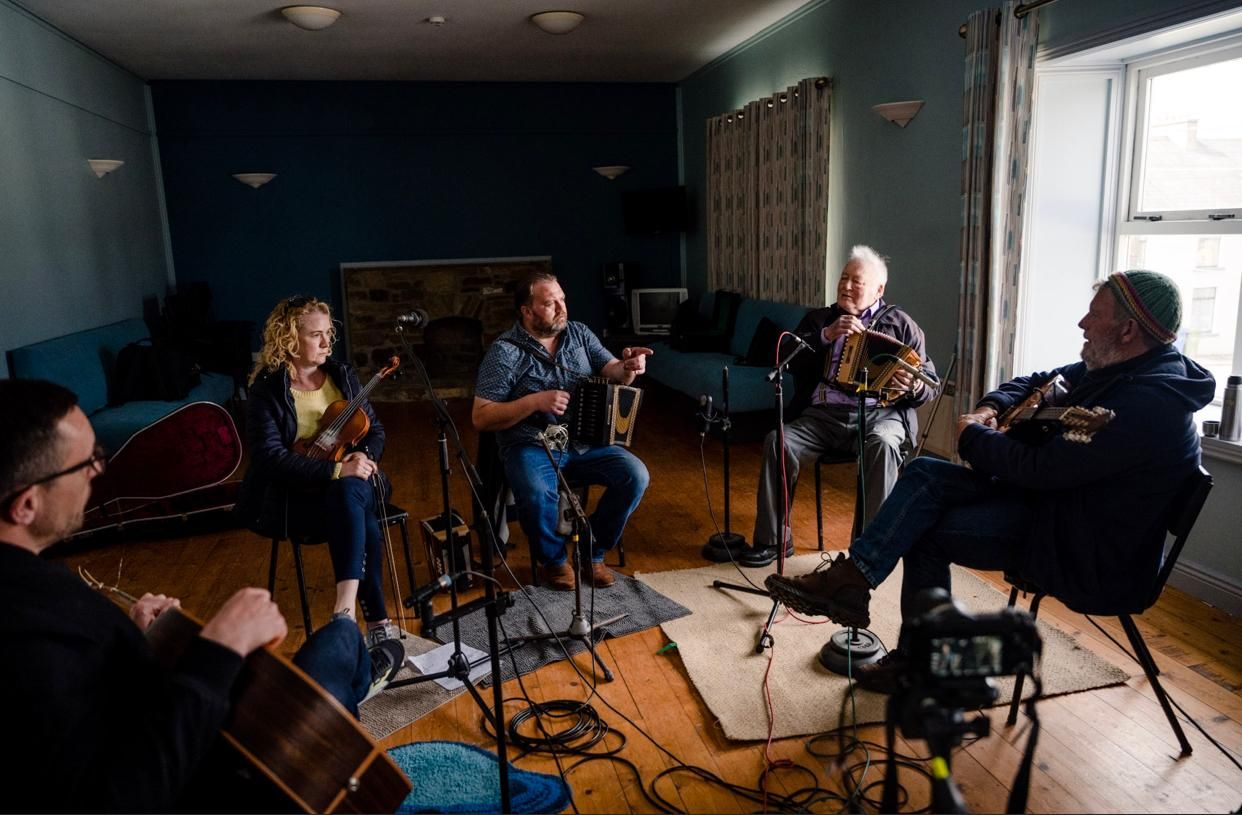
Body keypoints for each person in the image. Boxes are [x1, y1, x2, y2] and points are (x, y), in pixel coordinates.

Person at [764, 270, 1215, 691]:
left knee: (924, 532)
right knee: (923, 472)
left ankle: (914, 655)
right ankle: (856, 581)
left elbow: (1042, 469)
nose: (1082, 323)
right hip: (1058, 505)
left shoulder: (1150, 404)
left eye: (1094, 315)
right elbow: (1036, 381)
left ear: (1128, 330)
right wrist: (989, 409)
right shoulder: (1117, 370)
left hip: (1083, 546)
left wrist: (972, 437)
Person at [0, 378, 403, 812]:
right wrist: (219, 649)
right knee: (340, 648)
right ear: (26, 505)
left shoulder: (27, 582)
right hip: (229, 782)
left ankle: (354, 691)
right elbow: (123, 795)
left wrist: (140, 646)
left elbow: (94, 700)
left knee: (339, 643)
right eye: (85, 463)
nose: (98, 471)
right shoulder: (23, 641)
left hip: (193, 735)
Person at [745, 245, 937, 567]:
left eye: (856, 281)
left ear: (879, 290)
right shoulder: (820, 319)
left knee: (884, 444)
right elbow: (786, 360)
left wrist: (914, 385)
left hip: (880, 415)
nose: (846, 286)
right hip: (823, 416)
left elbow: (929, 382)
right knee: (779, 442)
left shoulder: (903, 326)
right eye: (843, 278)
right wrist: (825, 335)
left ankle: (867, 554)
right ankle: (774, 540)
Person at [236, 295, 400, 646]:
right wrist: (337, 470)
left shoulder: (343, 376)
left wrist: (363, 457)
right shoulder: (267, 390)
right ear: (289, 339)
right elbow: (268, 457)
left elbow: (375, 430)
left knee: (349, 492)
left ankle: (345, 610)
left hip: (355, 484)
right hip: (298, 498)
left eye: (328, 333)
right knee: (355, 505)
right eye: (316, 335)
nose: (327, 342)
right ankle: (377, 622)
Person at [473, 272, 652, 591]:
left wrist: (628, 368)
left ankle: (592, 552)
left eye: (562, 299)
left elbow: (613, 370)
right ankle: (554, 561)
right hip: (532, 445)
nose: (561, 307)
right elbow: (481, 416)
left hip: (585, 443)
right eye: (549, 303)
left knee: (635, 474)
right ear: (527, 311)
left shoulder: (579, 334)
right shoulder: (504, 352)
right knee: (536, 492)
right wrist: (534, 401)